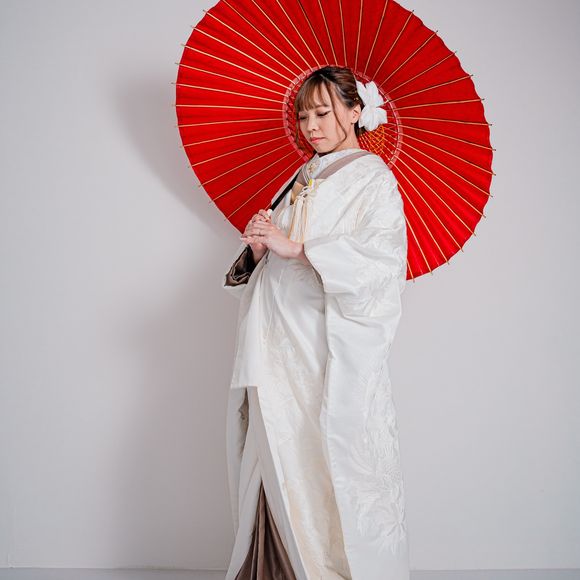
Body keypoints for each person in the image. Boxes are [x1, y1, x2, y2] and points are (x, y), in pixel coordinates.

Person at [222, 66, 409, 580]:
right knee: (270, 445)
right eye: (303, 116)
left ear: (355, 111)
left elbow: (383, 262)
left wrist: (300, 249)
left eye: (323, 113)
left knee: (310, 447)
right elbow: (276, 254)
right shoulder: (301, 175)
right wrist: (260, 248)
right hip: (275, 333)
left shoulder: (373, 178)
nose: (311, 126)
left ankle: (319, 567)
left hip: (318, 338)